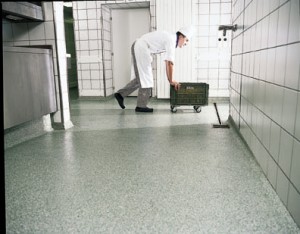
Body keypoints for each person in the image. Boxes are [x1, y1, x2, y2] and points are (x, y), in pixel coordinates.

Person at [114, 25, 194, 112]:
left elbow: (167, 62)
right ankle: (141, 106)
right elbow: (169, 63)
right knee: (146, 78)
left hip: (141, 47)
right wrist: (171, 80)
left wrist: (170, 79)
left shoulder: (170, 38)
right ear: (181, 36)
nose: (186, 44)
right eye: (186, 40)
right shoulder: (171, 39)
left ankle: (121, 94)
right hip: (141, 47)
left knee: (142, 77)